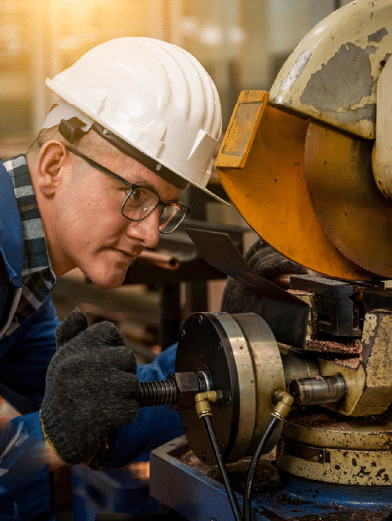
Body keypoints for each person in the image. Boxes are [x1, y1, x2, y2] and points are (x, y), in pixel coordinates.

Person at [0, 36, 224, 520]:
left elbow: (97, 418)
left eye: (163, 208)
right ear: (53, 166)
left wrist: (233, 345)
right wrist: (52, 435)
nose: (149, 234)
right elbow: (55, 432)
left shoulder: (26, 282)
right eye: (135, 194)